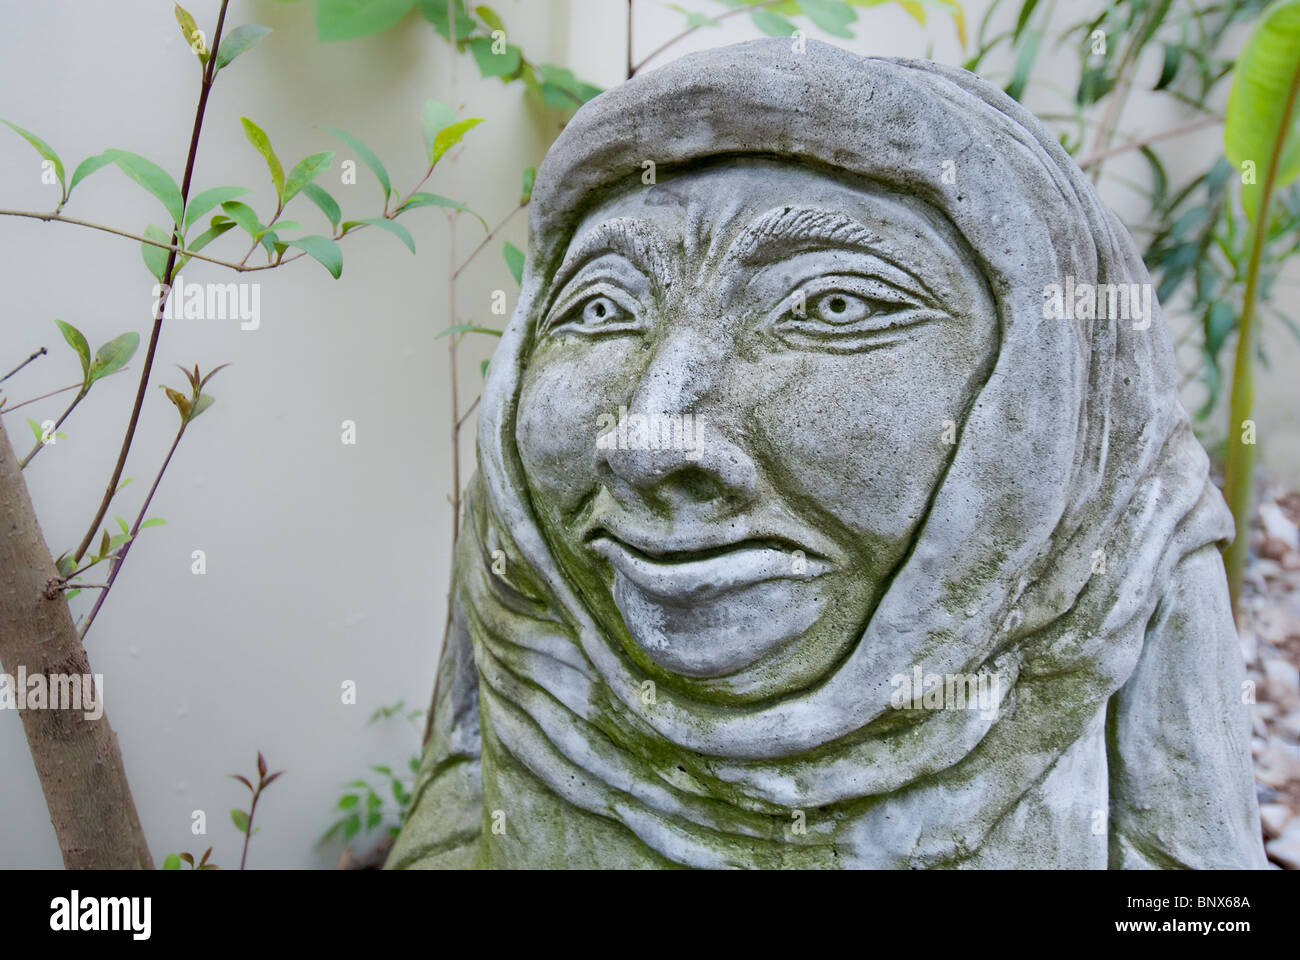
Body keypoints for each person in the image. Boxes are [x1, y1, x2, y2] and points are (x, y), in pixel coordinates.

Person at [389, 38, 1266, 869]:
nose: (649, 440)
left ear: (1037, 369)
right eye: (603, 310)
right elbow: (455, 798)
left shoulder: (1120, 542)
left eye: (834, 306)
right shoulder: (525, 539)